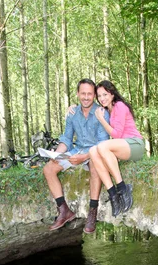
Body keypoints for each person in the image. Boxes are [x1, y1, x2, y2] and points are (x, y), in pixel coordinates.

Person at [43, 79, 109, 232]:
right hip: (77, 149)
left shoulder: (101, 113)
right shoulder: (72, 113)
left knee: (94, 165)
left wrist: (85, 157)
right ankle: (64, 210)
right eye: (83, 93)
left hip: (95, 152)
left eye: (89, 94)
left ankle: (92, 211)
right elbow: (66, 139)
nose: (86, 97)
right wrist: (57, 153)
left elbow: (102, 144)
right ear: (78, 94)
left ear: (94, 95)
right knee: (48, 169)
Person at [90, 80, 145, 217]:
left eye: (105, 94)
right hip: (123, 146)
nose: (102, 98)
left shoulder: (119, 106)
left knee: (101, 146)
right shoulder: (108, 110)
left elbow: (117, 134)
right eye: (99, 96)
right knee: (92, 151)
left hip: (135, 144)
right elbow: (87, 108)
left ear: (112, 94)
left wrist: (101, 119)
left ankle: (122, 188)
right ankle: (113, 194)